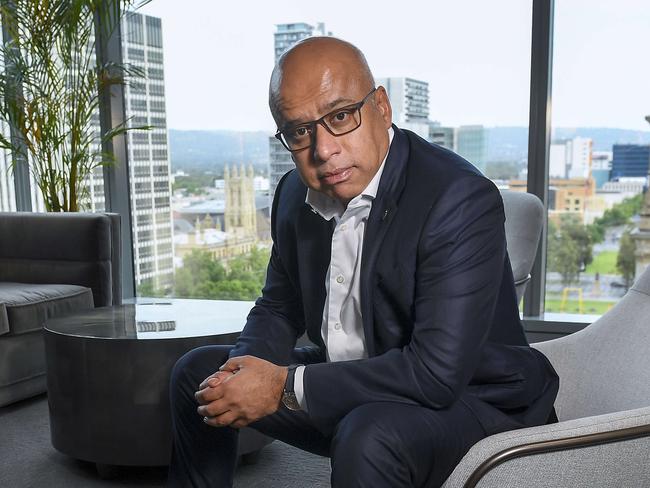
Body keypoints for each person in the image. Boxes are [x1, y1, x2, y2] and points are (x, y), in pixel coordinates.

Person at [167, 37, 559, 488]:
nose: (323, 150)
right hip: (353, 381)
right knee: (198, 375)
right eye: (299, 131)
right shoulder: (293, 194)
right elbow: (279, 306)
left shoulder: (457, 197)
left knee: (369, 435)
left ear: (383, 107)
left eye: (339, 117)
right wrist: (239, 375)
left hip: (475, 403)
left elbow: (435, 375)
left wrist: (281, 385)